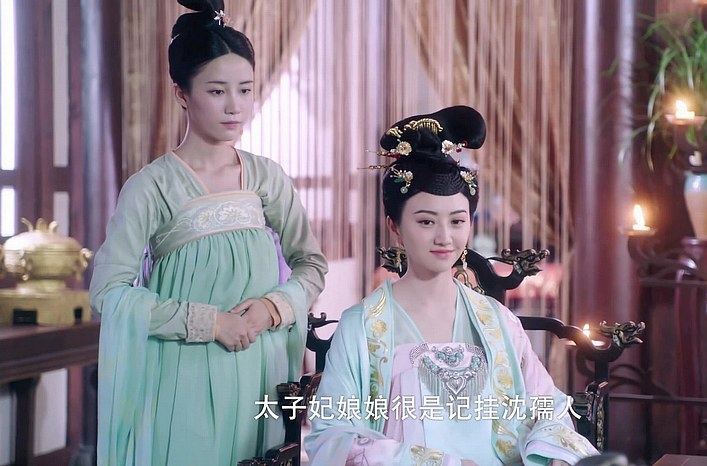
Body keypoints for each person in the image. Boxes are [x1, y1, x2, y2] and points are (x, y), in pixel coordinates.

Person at [89, 1, 327, 464]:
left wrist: (272, 308)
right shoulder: (151, 187)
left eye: (245, 89)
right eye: (217, 91)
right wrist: (209, 322)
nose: (235, 106)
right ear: (181, 93)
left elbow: (311, 264)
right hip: (183, 374)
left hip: (262, 374)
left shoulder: (266, 177)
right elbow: (108, 292)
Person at [305, 106, 597, 465]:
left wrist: (555, 455)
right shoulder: (362, 326)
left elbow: (548, 408)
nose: (444, 237)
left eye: (457, 221)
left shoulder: (498, 321)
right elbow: (331, 436)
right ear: (395, 226)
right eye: (426, 222)